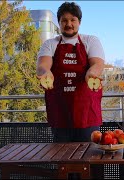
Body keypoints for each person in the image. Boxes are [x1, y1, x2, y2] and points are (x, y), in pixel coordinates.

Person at [36, 2, 105, 143]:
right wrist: (45, 73)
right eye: (64, 20)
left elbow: (97, 64)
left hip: (87, 112)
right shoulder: (50, 44)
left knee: (91, 155)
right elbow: (43, 65)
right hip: (60, 112)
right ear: (59, 23)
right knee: (63, 158)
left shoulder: (90, 41)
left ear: (79, 22)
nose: (69, 24)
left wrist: (92, 73)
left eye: (73, 20)